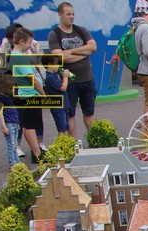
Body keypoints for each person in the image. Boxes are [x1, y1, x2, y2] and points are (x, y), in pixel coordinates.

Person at [47, 2, 96, 137]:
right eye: (68, 14)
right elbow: (61, 57)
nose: (72, 17)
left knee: (89, 112)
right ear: (60, 14)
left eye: (73, 14)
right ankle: (73, 143)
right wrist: (83, 54)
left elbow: (93, 47)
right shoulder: (55, 34)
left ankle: (94, 140)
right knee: (70, 114)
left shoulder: (81, 30)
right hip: (70, 81)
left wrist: (71, 51)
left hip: (87, 78)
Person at [10, 27, 45, 164]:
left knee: (27, 125)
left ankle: (36, 151)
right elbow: (32, 79)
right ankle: (37, 154)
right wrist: (43, 94)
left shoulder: (16, 56)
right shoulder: (20, 58)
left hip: (26, 94)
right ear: (21, 41)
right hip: (31, 94)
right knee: (30, 126)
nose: (30, 46)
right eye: (29, 42)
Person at [41, 55, 71, 137]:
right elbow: (63, 88)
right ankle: (61, 143)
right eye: (57, 64)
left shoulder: (54, 75)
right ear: (50, 64)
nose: (58, 66)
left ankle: (66, 142)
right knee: (62, 129)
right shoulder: (50, 77)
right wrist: (65, 77)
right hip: (58, 106)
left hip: (63, 105)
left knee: (65, 126)